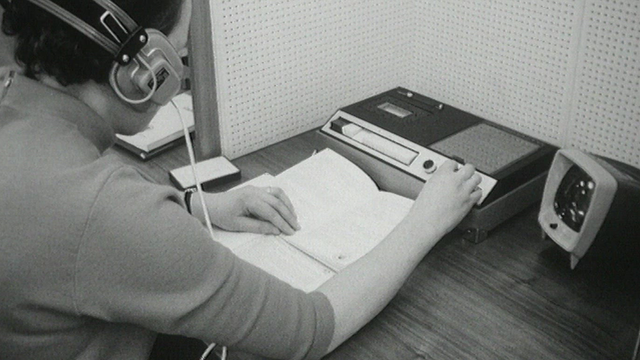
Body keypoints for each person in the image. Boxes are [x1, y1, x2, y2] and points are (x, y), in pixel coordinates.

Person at [0, 0, 482, 359]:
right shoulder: (109, 213)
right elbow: (309, 329)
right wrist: (426, 220)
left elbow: (69, 219)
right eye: (180, 56)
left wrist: (196, 204)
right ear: (142, 70)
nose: (182, 72)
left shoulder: (18, 120)